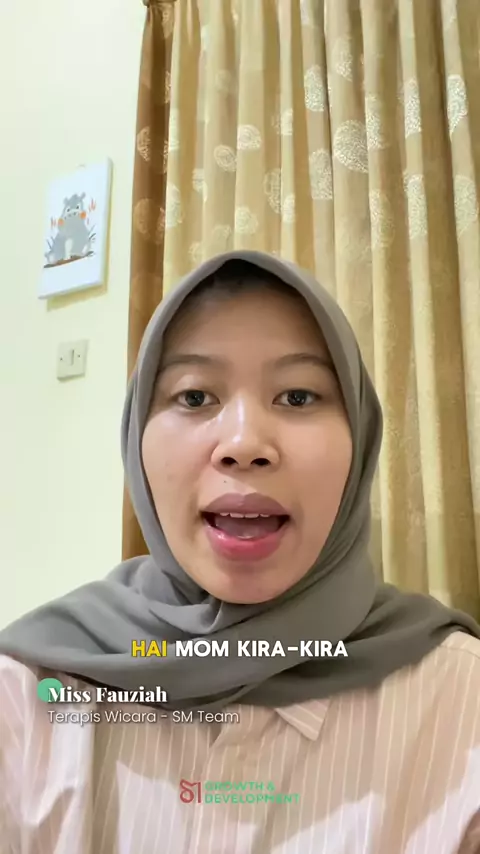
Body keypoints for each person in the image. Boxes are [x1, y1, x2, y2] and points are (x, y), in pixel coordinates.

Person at [1, 250, 479, 854]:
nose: (244, 443)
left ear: (361, 439)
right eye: (194, 397)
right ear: (136, 437)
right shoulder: (31, 695)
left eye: (298, 396)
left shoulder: (461, 705)